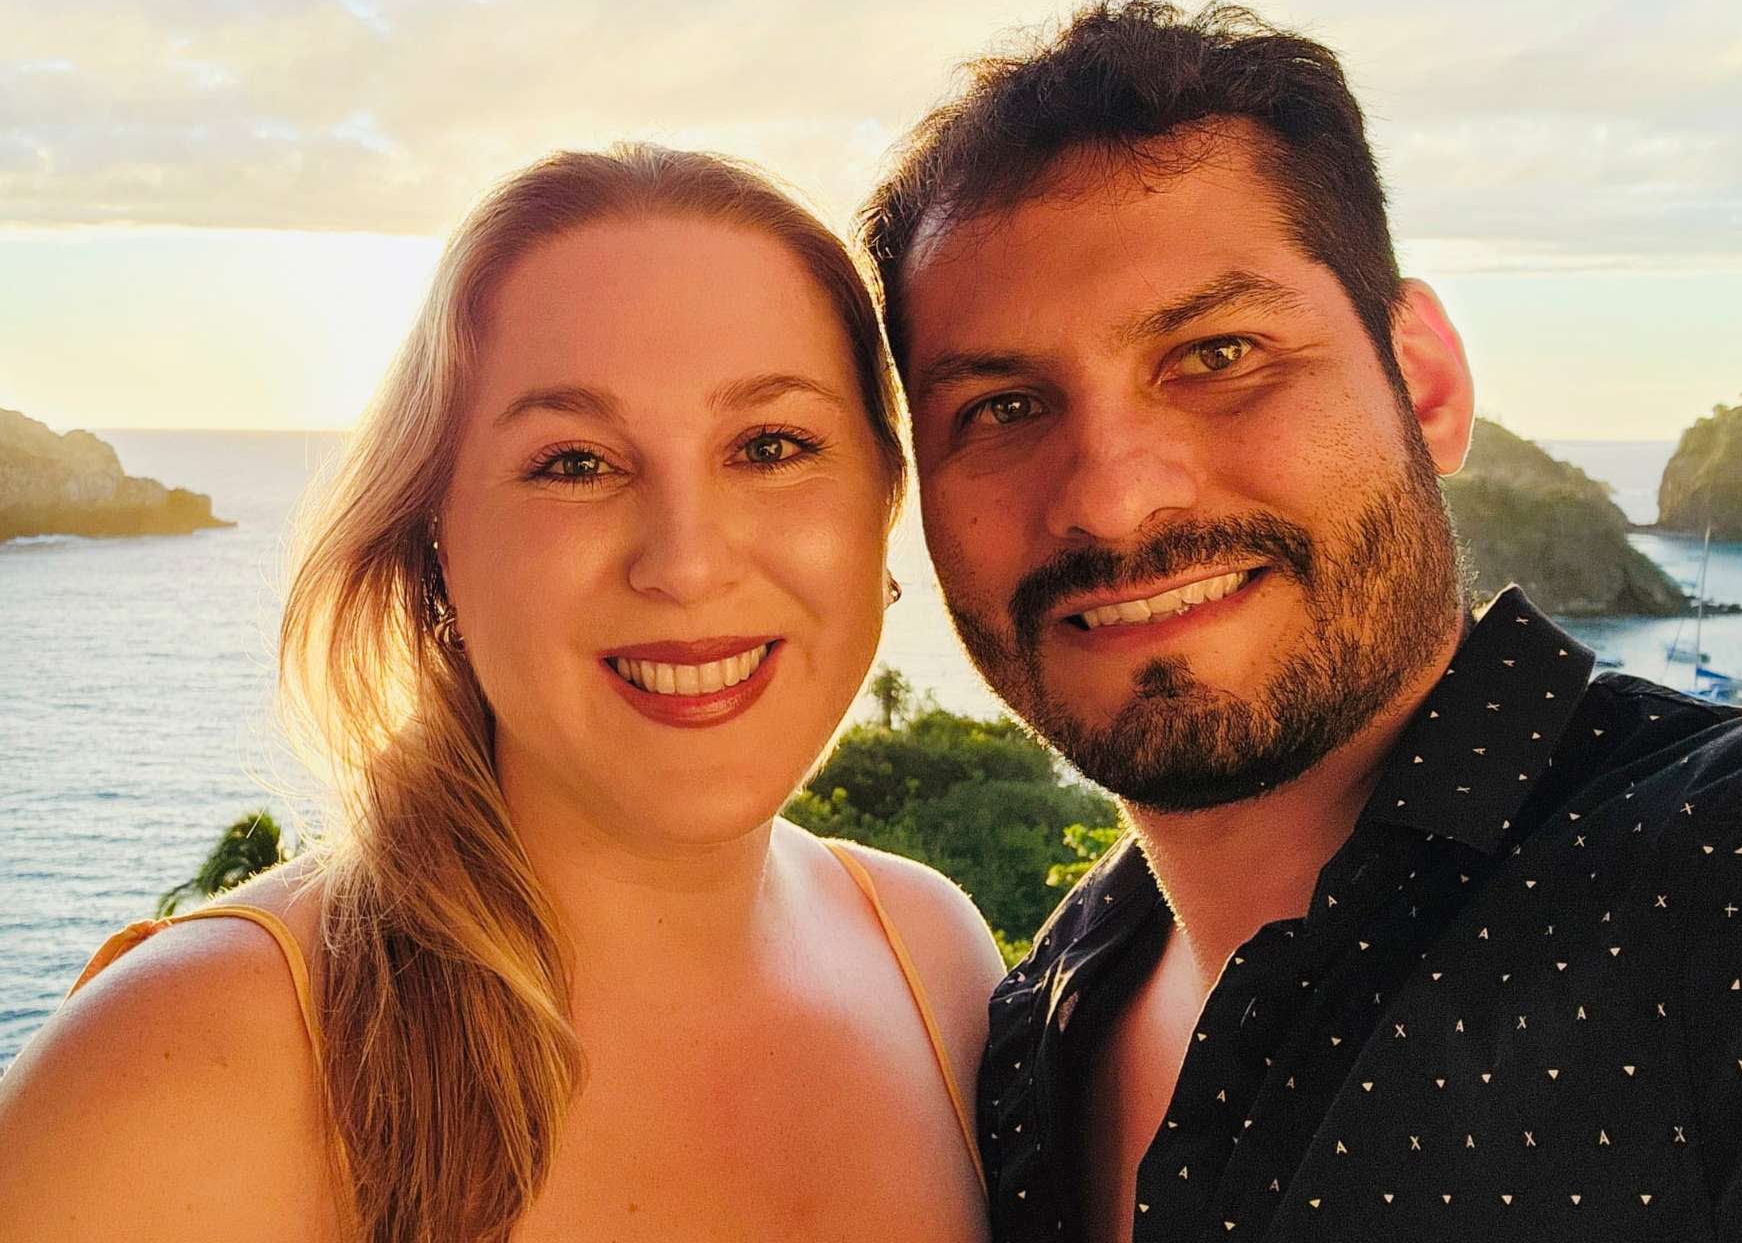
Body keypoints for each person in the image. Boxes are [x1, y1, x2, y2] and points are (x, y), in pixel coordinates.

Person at [856, 0, 1742, 1242]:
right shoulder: (1037, 1024)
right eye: (1001, 407)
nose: (1111, 497)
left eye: (1216, 355)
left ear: (1425, 381)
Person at [0, 146, 1004, 1242]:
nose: (686, 561)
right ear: (438, 548)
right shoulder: (190, 1063)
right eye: (574, 462)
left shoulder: (934, 958)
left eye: (770, 445)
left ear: (883, 501)